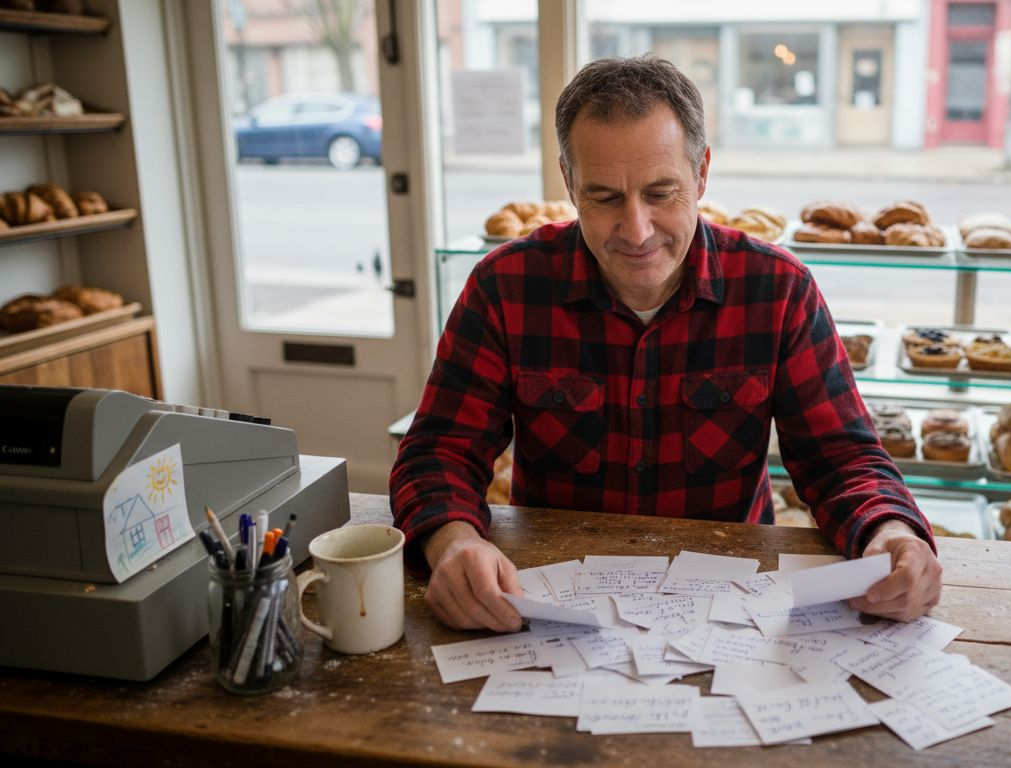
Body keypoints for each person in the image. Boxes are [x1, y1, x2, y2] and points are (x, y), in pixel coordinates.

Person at [390, 55, 941, 634]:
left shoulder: (778, 291)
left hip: (734, 608)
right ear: (568, 180)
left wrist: (892, 534)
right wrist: (450, 543)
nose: (636, 230)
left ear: (701, 173)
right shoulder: (504, 286)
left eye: (661, 192)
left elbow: (842, 459)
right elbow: (439, 450)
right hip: (548, 606)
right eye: (603, 197)